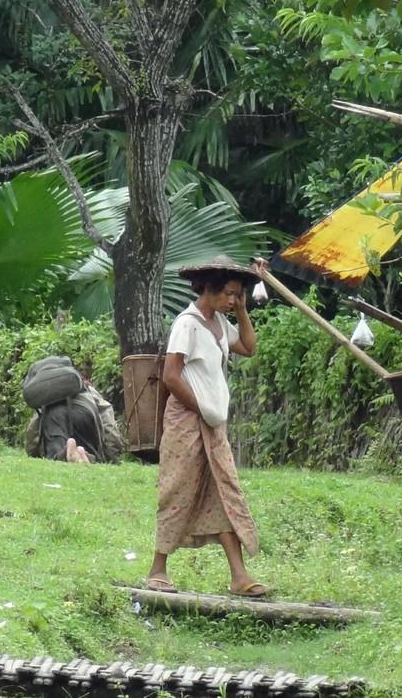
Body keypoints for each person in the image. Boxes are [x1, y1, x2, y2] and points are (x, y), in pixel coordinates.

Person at [145, 255, 269, 598]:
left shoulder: (219, 324)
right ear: (209, 290)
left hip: (213, 423)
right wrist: (201, 407)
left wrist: (243, 311)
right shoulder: (187, 324)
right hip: (187, 418)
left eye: (237, 294)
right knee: (177, 487)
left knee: (224, 490)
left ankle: (239, 576)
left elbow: (248, 347)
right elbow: (172, 375)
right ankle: (158, 569)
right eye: (229, 294)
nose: (232, 300)